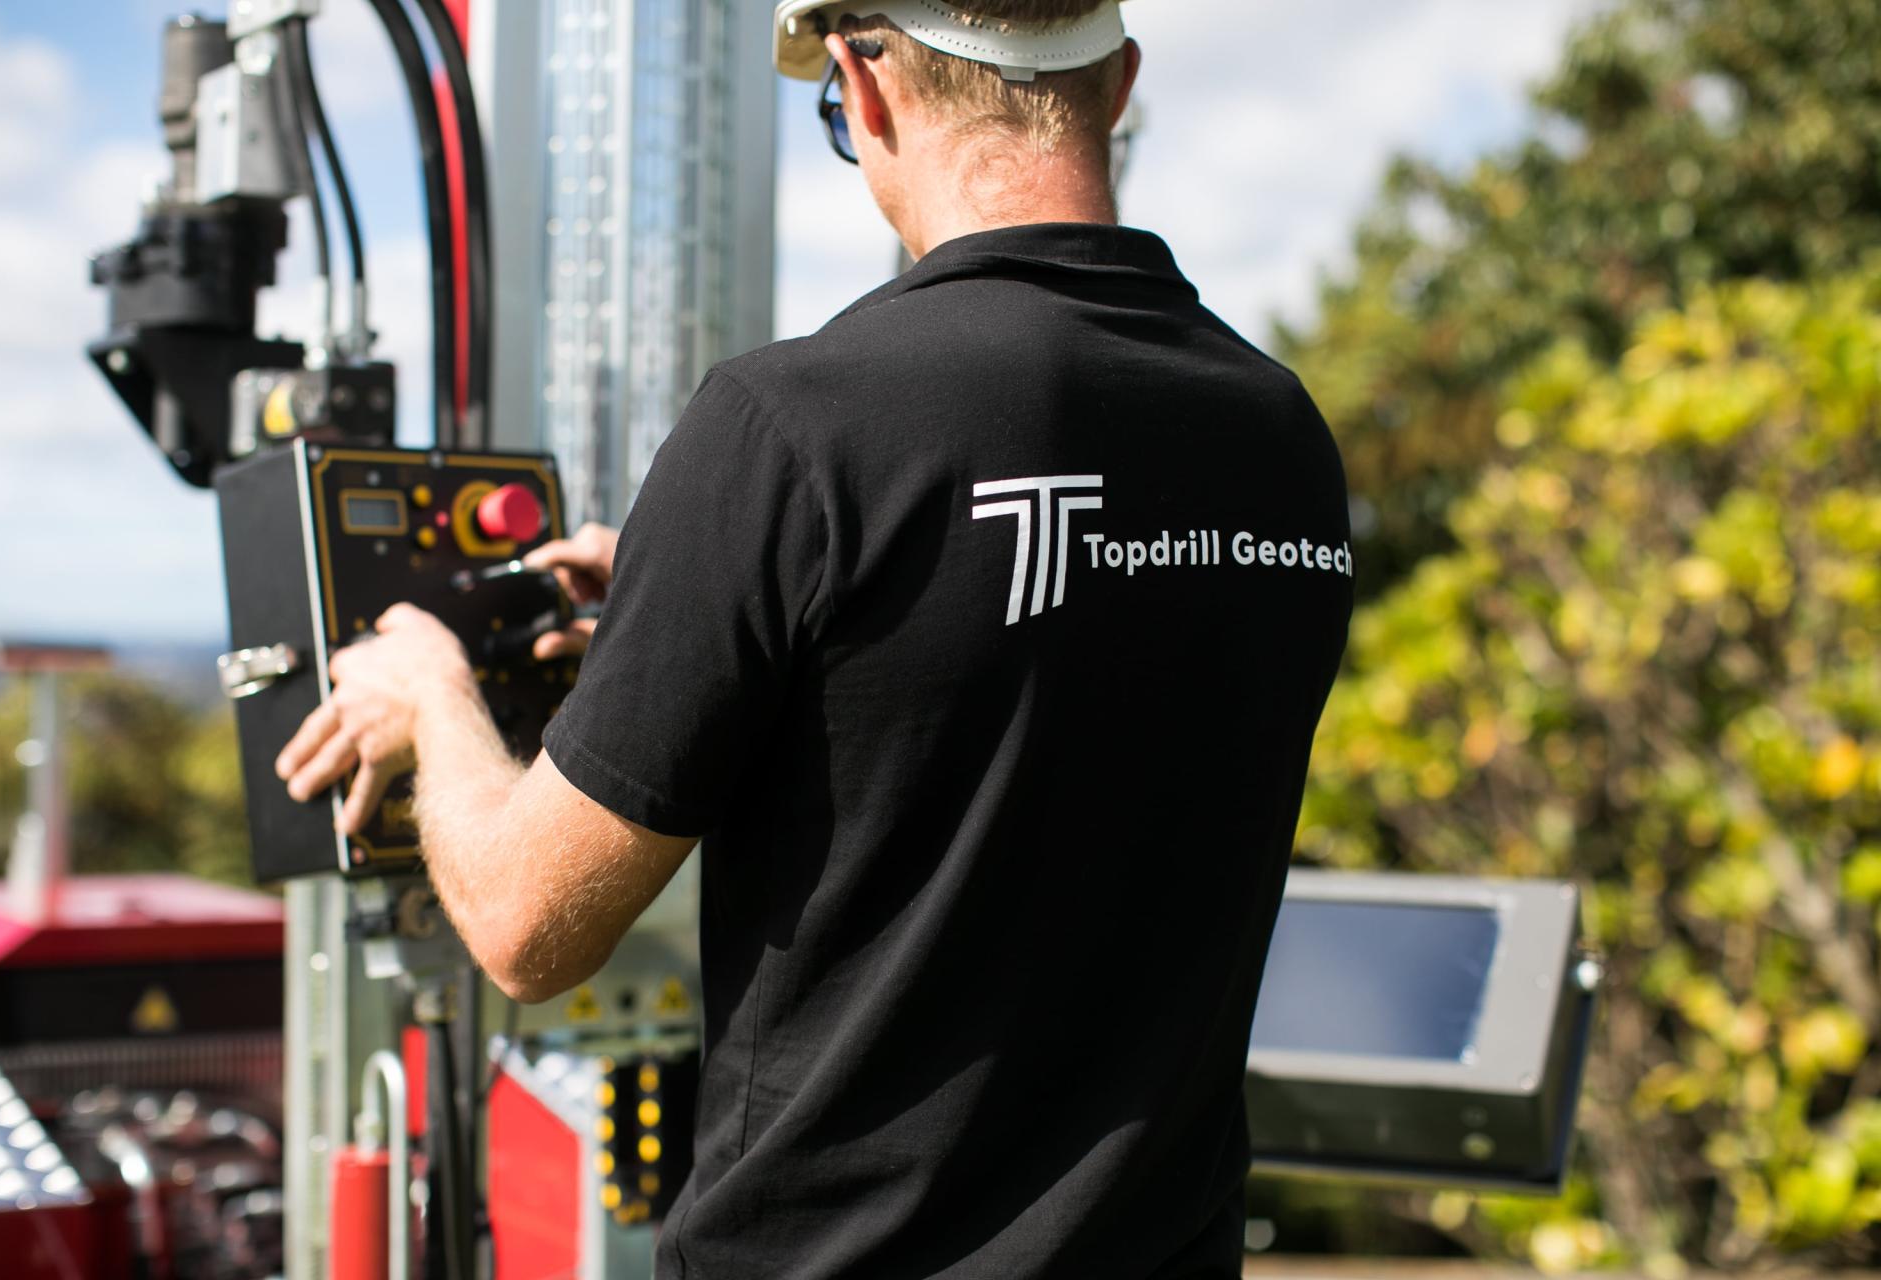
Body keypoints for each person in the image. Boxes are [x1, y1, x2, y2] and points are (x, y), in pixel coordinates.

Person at [277, 0, 1354, 1273]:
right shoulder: (1281, 440)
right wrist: (718, 601)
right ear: (1116, 82)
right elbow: (1054, 659)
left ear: (864, 77)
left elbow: (525, 926)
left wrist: (433, 700)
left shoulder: (792, 425)